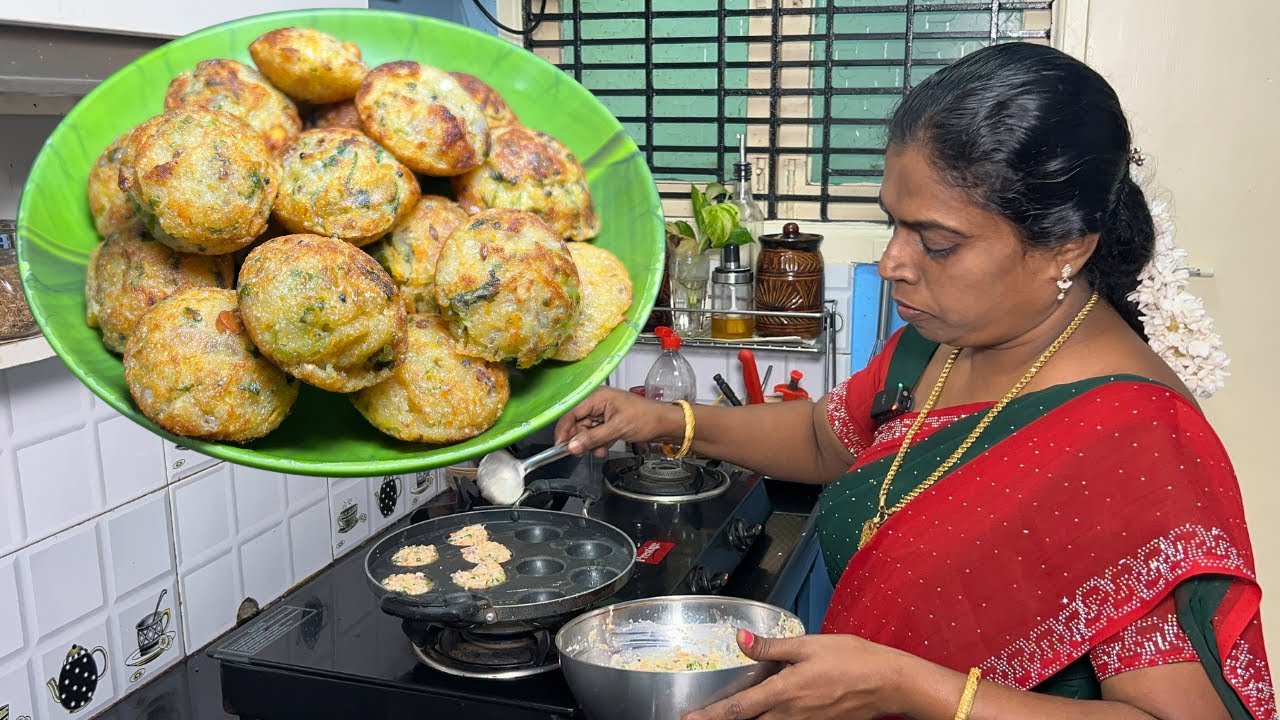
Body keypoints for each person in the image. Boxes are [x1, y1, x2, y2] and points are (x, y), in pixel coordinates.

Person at [554, 42, 1275, 720]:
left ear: (1067, 246)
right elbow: (822, 437)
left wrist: (911, 687)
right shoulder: (941, 344)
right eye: (892, 225)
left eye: (936, 243)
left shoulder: (1139, 441)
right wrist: (668, 422)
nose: (893, 263)